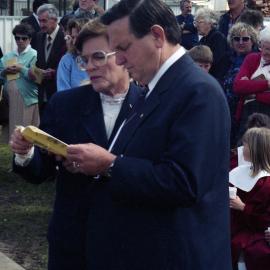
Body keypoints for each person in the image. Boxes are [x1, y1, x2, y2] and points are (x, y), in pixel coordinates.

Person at [34, 0, 231, 269]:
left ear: (157, 36)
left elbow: (185, 182)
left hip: (178, 255)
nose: (121, 60)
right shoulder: (158, 88)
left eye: (123, 48)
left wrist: (109, 164)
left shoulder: (197, 91)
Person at [10, 19, 141, 270]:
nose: (89, 67)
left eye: (99, 57)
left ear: (124, 56)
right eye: (84, 60)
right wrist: (25, 153)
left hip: (128, 241)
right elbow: (43, 169)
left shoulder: (151, 106)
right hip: (73, 240)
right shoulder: (65, 104)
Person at [229, 127, 270, 270]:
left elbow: (265, 219)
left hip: (254, 234)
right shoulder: (238, 172)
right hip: (236, 228)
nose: (242, 147)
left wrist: (243, 208)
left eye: (246, 144)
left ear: (255, 149)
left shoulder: (266, 183)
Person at [0, 24, 39, 139]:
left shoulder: (35, 55)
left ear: (30, 39)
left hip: (27, 98)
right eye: (17, 38)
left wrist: (21, 69)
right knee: (14, 131)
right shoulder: (8, 56)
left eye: (24, 38)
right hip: (9, 99)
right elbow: (1, 78)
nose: (20, 41)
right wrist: (4, 72)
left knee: (25, 133)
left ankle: (24, 155)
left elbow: (37, 77)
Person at [223, 22, 258, 148]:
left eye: (245, 39)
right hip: (228, 112)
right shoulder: (227, 60)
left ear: (253, 41)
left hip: (246, 114)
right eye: (236, 39)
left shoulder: (257, 60)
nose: (241, 42)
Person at [233, 26, 270, 143]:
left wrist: (253, 93)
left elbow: (245, 87)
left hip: (267, 116)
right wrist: (267, 85)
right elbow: (238, 86)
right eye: (265, 48)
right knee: (243, 151)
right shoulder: (252, 59)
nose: (267, 52)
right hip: (247, 114)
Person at [35, 4, 66, 114]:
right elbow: (37, 63)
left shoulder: (66, 38)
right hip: (41, 95)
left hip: (59, 95)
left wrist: (55, 73)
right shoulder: (39, 36)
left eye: (44, 21)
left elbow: (70, 67)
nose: (41, 24)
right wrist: (34, 72)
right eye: (39, 21)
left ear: (55, 20)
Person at [194, 7, 229, 83]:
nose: (196, 25)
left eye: (199, 22)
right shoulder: (204, 39)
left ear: (209, 23)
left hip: (215, 80)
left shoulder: (218, 37)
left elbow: (215, 61)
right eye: (195, 22)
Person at [57, 18, 89, 91]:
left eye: (78, 37)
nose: (74, 42)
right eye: (73, 37)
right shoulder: (67, 60)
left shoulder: (102, 58)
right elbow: (63, 94)